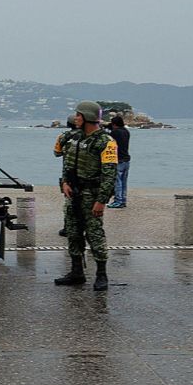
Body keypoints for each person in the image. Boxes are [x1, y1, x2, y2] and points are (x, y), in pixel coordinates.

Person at [55, 101, 118, 292]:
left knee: (95, 234)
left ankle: (101, 275)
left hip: (92, 194)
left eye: (78, 115)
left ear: (88, 117)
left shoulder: (106, 142)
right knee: (73, 233)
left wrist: (101, 200)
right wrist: (65, 183)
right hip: (74, 193)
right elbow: (68, 164)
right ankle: (76, 272)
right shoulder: (76, 138)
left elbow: (110, 174)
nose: (75, 118)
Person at [54, 115, 81, 237]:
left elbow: (57, 153)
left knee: (69, 201)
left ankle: (67, 228)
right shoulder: (87, 136)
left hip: (68, 173)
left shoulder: (63, 136)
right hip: (85, 173)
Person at [106, 114, 131, 209]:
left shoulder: (115, 132)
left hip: (118, 159)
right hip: (126, 159)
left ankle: (118, 201)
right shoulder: (126, 131)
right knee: (124, 181)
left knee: (117, 181)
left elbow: (107, 140)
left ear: (114, 124)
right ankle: (123, 200)